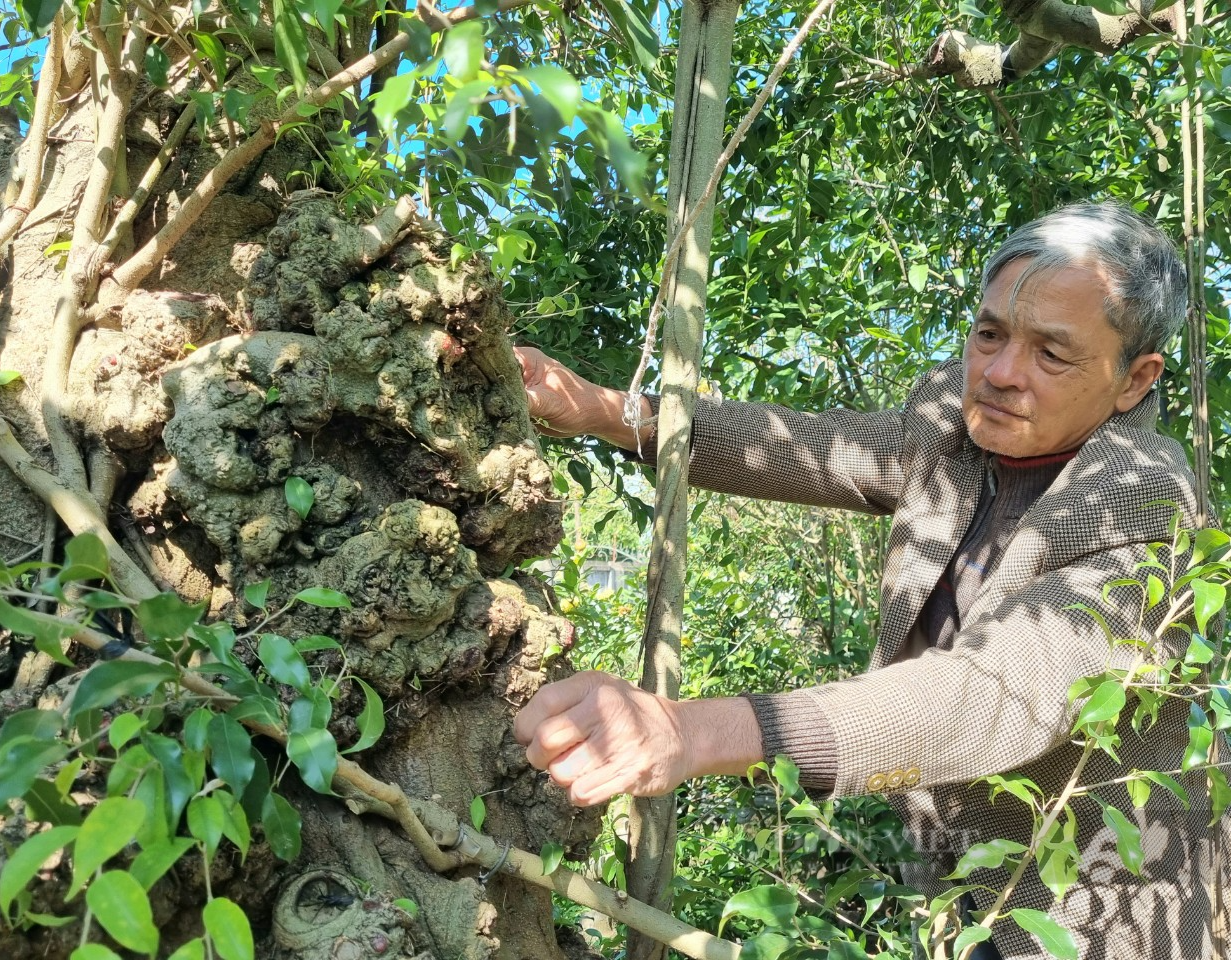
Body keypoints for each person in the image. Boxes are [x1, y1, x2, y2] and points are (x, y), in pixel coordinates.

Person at [511, 202, 1230, 960]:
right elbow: (811, 447)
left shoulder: (1145, 497)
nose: (1000, 374)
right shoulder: (954, 420)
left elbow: (993, 694)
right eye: (989, 334)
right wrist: (609, 412)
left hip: (1094, 905)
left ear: (1133, 379)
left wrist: (693, 729)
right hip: (956, 873)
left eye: (1053, 354)